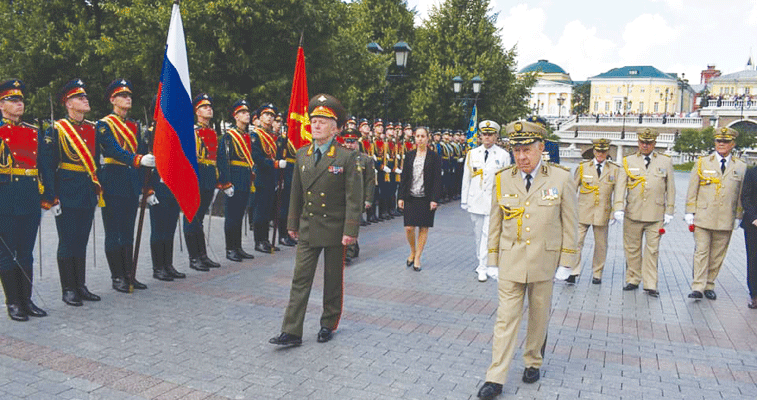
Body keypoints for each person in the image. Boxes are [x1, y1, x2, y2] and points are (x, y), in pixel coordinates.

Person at [477, 120, 577, 400]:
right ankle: (495, 377)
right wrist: (492, 260)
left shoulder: (560, 178)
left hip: (545, 261)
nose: (521, 157)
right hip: (511, 261)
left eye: (527, 150)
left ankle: (533, 360)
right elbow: (494, 224)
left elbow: (570, 223)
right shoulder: (502, 178)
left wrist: (567, 262)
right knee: (505, 319)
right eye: (516, 150)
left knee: (538, 315)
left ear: (541, 148)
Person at [269, 94, 361, 346]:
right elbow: (296, 192)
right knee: (300, 278)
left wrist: (350, 230)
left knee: (332, 280)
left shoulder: (346, 157)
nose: (316, 125)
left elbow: (354, 198)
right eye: (314, 120)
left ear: (335, 127)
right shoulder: (302, 154)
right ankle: (291, 331)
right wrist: (291, 224)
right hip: (309, 226)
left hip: (334, 228)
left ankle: (328, 323)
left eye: (323, 121)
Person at [40, 79, 105, 306]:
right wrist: (51, 196)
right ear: (68, 104)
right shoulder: (56, 130)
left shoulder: (92, 128)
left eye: (85, 96)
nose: (85, 100)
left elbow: (95, 162)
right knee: (67, 242)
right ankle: (68, 289)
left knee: (81, 241)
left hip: (86, 192)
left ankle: (81, 285)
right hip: (66, 193)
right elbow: (47, 166)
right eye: (79, 97)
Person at [97, 79, 155, 293]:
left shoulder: (134, 125)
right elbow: (113, 150)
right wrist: (139, 159)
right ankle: (117, 276)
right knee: (114, 233)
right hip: (113, 181)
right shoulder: (104, 125)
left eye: (129, 95)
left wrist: (145, 184)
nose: (128, 98)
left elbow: (139, 150)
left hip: (130, 182)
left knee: (128, 232)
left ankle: (129, 274)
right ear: (113, 100)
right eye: (123, 95)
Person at [0, 78, 47, 320]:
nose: (19, 104)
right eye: (13, 100)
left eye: (21, 100)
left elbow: (42, 166)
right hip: (5, 199)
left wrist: (48, 196)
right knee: (7, 253)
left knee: (26, 252)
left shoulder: (32, 131)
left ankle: (26, 300)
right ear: (1, 104)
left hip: (29, 197)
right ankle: (13, 303)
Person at [685, 127, 746, 300]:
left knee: (718, 254)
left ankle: (709, 284)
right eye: (719, 141)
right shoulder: (702, 162)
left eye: (726, 141)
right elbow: (692, 189)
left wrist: (738, 216)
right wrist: (690, 211)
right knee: (701, 251)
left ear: (732, 144)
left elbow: (741, 194)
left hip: (726, 217)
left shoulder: (740, 166)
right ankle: (698, 286)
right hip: (703, 216)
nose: (721, 144)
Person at [616, 128, 675, 297]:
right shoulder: (628, 161)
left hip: (656, 214)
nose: (645, 145)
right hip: (633, 212)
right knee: (632, 249)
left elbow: (671, 188)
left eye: (648, 143)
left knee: (652, 250)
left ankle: (650, 284)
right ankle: (633, 279)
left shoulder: (665, 162)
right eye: (642, 142)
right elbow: (620, 187)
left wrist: (669, 210)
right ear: (638, 142)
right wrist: (618, 208)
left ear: (654, 144)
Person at [569, 138, 626, 284]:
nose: (600, 154)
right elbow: (572, 188)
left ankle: (597, 273)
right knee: (577, 242)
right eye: (598, 151)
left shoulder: (614, 169)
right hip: (582, 211)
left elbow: (618, 192)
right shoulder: (583, 167)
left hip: (603, 212)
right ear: (594, 151)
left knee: (601, 245)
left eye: (603, 151)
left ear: (607, 152)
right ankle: (573, 271)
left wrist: (616, 210)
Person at [461, 120, 511, 282]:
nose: (487, 138)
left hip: (493, 202)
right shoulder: (472, 154)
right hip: (475, 200)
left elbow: (506, 181)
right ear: (480, 136)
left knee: (488, 234)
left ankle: (484, 266)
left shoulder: (503, 155)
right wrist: (464, 200)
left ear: (496, 136)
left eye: (490, 135)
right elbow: (466, 179)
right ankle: (480, 261)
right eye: (484, 135)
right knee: (478, 234)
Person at [182, 93, 221, 272]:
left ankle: (202, 255)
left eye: (210, 106)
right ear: (197, 111)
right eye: (205, 107)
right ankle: (194, 257)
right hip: (195, 178)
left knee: (200, 218)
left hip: (208, 178)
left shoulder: (212, 132)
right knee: (191, 216)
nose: (209, 109)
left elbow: (215, 159)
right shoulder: (192, 131)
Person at [398, 127, 442, 272]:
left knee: (423, 227)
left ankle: (417, 257)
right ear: (414, 138)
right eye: (417, 136)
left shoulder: (434, 156)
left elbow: (437, 179)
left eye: (423, 136)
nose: (420, 139)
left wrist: (434, 199)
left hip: (426, 197)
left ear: (427, 138)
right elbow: (404, 177)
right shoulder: (409, 155)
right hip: (411, 196)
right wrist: (400, 197)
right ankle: (412, 250)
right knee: (409, 227)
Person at [216, 99, 255, 262]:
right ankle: (230, 248)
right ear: (236, 116)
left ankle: (238, 247)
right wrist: (226, 182)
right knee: (231, 216)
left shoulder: (246, 136)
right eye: (243, 113)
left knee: (239, 215)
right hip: (234, 180)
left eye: (247, 112)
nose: (247, 115)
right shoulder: (229, 136)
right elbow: (223, 160)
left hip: (245, 179)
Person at [250, 103, 286, 253]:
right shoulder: (255, 135)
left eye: (272, 115)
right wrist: (275, 164)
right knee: (261, 211)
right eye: (266, 115)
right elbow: (257, 157)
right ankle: (259, 241)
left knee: (269, 211)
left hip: (272, 177)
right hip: (261, 176)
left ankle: (266, 240)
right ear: (259, 117)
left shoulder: (274, 137)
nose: (270, 118)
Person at [342, 128, 374, 264]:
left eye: (353, 142)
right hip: (342, 198)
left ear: (357, 143)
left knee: (352, 223)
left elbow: (370, 181)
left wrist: (368, 199)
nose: (349, 145)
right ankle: (352, 247)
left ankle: (348, 253)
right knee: (344, 224)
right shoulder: (340, 158)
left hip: (357, 199)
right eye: (347, 142)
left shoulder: (365, 159)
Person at [741, 163, 757, 309]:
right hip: (754, 225)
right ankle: (754, 295)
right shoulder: (752, 173)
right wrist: (754, 218)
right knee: (753, 260)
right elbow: (745, 197)